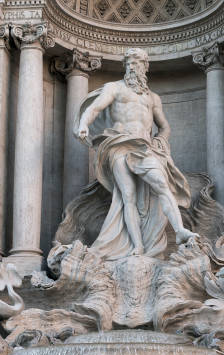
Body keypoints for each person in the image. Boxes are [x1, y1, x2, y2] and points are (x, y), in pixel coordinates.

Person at [75, 48, 197, 260]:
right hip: (119, 145)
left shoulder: (153, 98)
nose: (132, 67)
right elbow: (95, 108)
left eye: (137, 63)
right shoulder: (115, 88)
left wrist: (160, 141)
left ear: (145, 67)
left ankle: (179, 231)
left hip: (144, 147)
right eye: (129, 63)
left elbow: (165, 127)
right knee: (127, 196)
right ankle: (137, 246)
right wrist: (84, 124)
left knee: (162, 185)